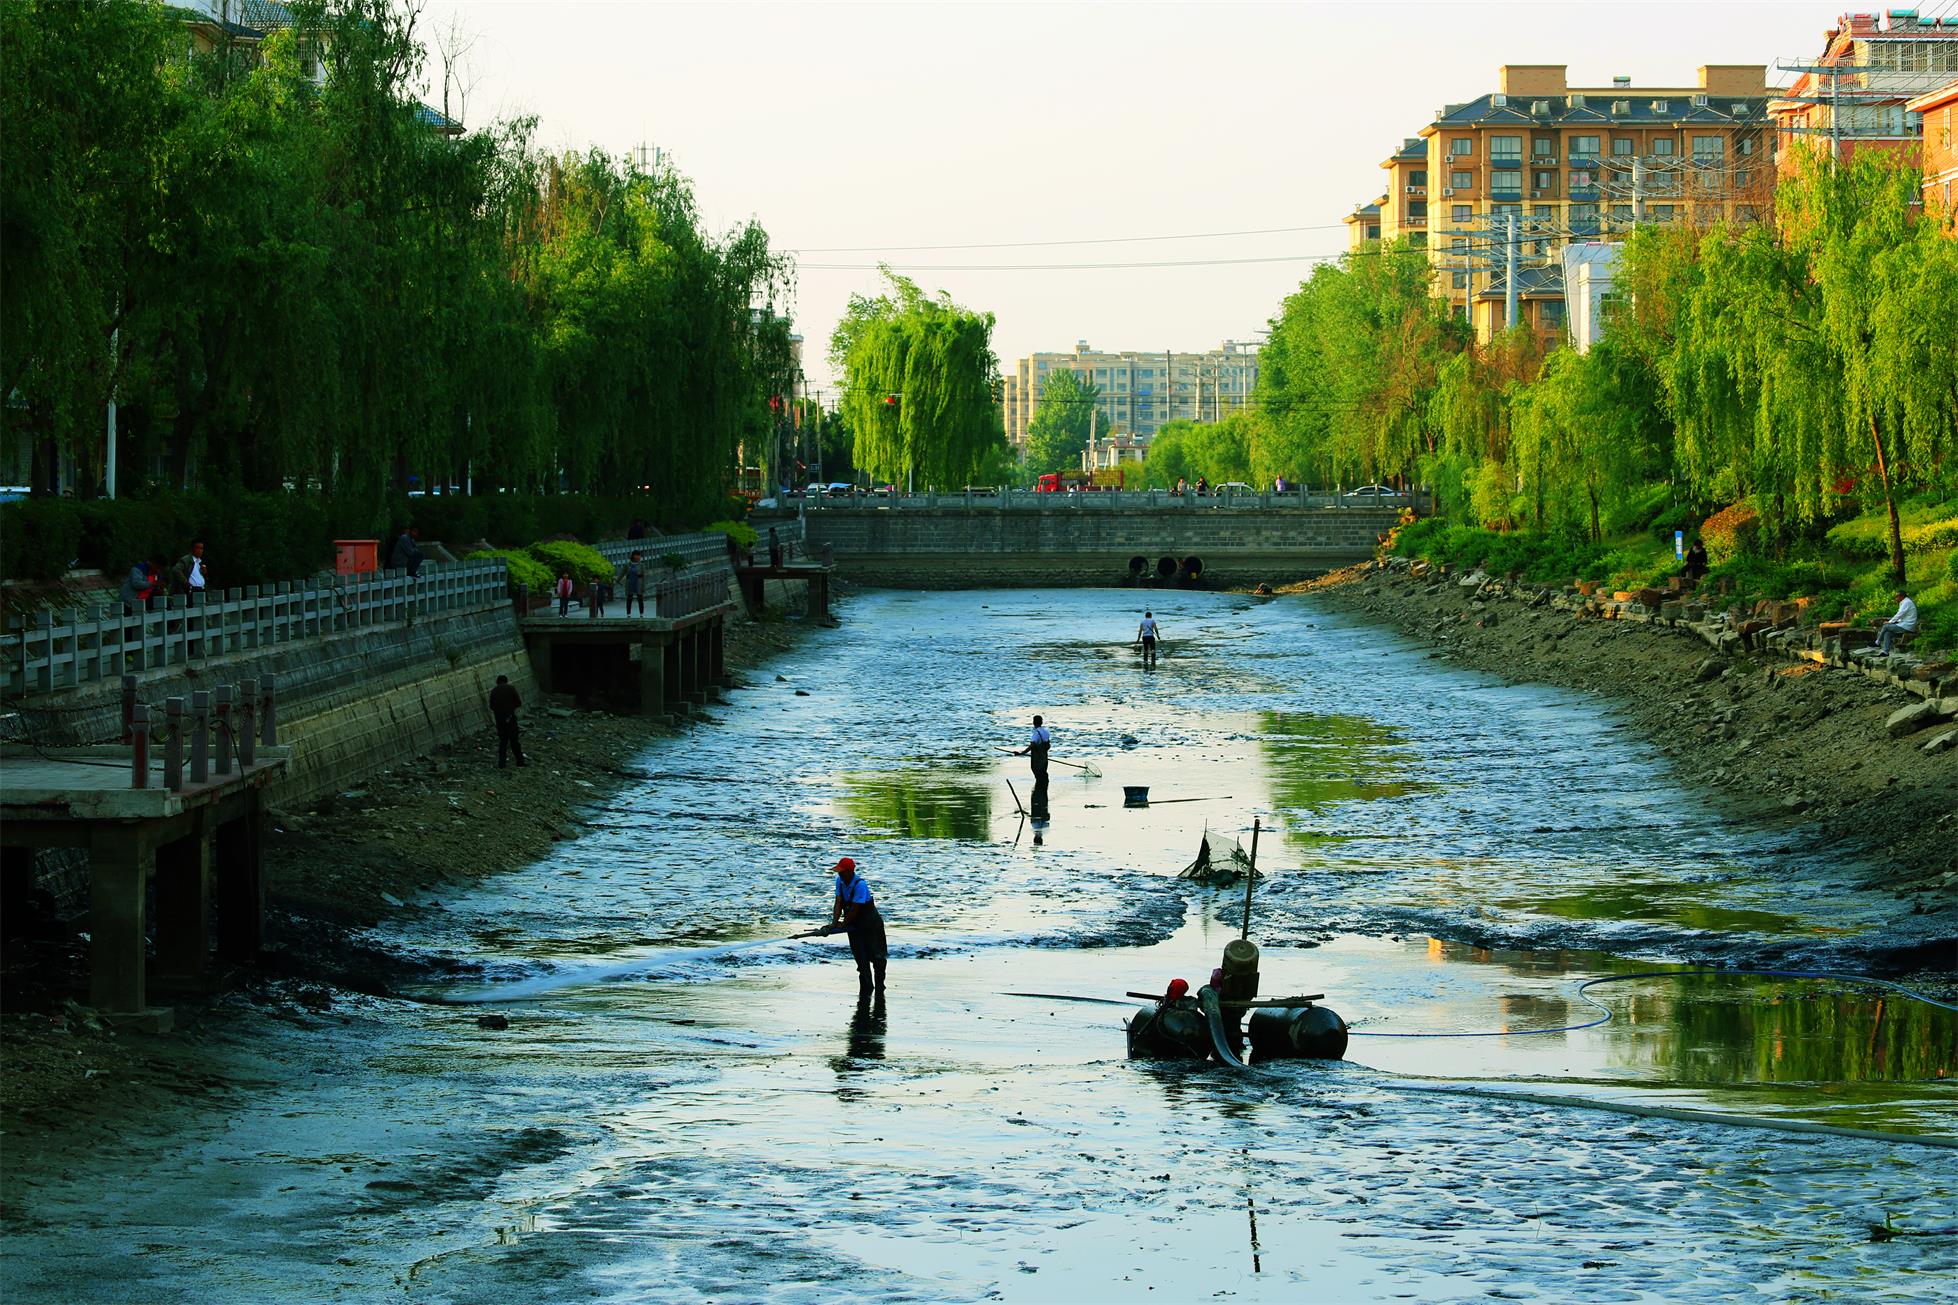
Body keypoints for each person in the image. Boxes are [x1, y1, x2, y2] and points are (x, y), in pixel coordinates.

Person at [824, 856, 887, 992]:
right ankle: (866, 991)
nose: (839, 874)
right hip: (854, 926)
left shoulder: (860, 885)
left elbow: (855, 909)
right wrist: (834, 924)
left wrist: (843, 924)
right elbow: (838, 902)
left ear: (849, 872)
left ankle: (880, 991)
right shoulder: (839, 881)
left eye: (841, 871)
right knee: (861, 960)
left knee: (878, 959)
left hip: (871, 925)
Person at [488, 674, 526, 768]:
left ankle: (502, 764)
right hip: (510, 717)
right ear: (506, 681)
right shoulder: (511, 688)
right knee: (514, 741)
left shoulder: (494, 691)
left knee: (503, 741)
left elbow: (491, 706)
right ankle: (520, 762)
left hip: (499, 719)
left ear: (497, 682)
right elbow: (518, 702)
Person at [1872, 590, 1919, 656]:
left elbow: (1899, 614)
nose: (1895, 598)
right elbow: (1902, 616)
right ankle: (1886, 652)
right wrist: (1893, 622)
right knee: (1887, 633)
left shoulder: (1906, 602)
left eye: (1897, 596)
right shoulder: (1904, 602)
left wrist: (1889, 622)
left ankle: (1877, 642)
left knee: (1886, 626)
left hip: (1907, 626)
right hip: (1904, 625)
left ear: (1902, 596)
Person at [1016, 714, 1051, 782]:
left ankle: (1039, 790)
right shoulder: (1046, 731)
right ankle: (1043, 788)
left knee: (1038, 773)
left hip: (1037, 759)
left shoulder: (1036, 733)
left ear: (1033, 722)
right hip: (1044, 758)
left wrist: (1022, 753)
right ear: (1041, 722)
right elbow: (1048, 745)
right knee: (1043, 773)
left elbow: (1032, 746)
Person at [621, 551, 645, 616]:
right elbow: (622, 573)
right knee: (629, 598)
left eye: (640, 556)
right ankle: (628, 613)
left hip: (638, 583)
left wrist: (643, 586)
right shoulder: (628, 565)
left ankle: (641, 613)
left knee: (640, 598)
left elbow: (643, 576)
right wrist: (616, 581)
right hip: (630, 582)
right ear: (634, 556)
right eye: (638, 555)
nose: (639, 557)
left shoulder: (641, 565)